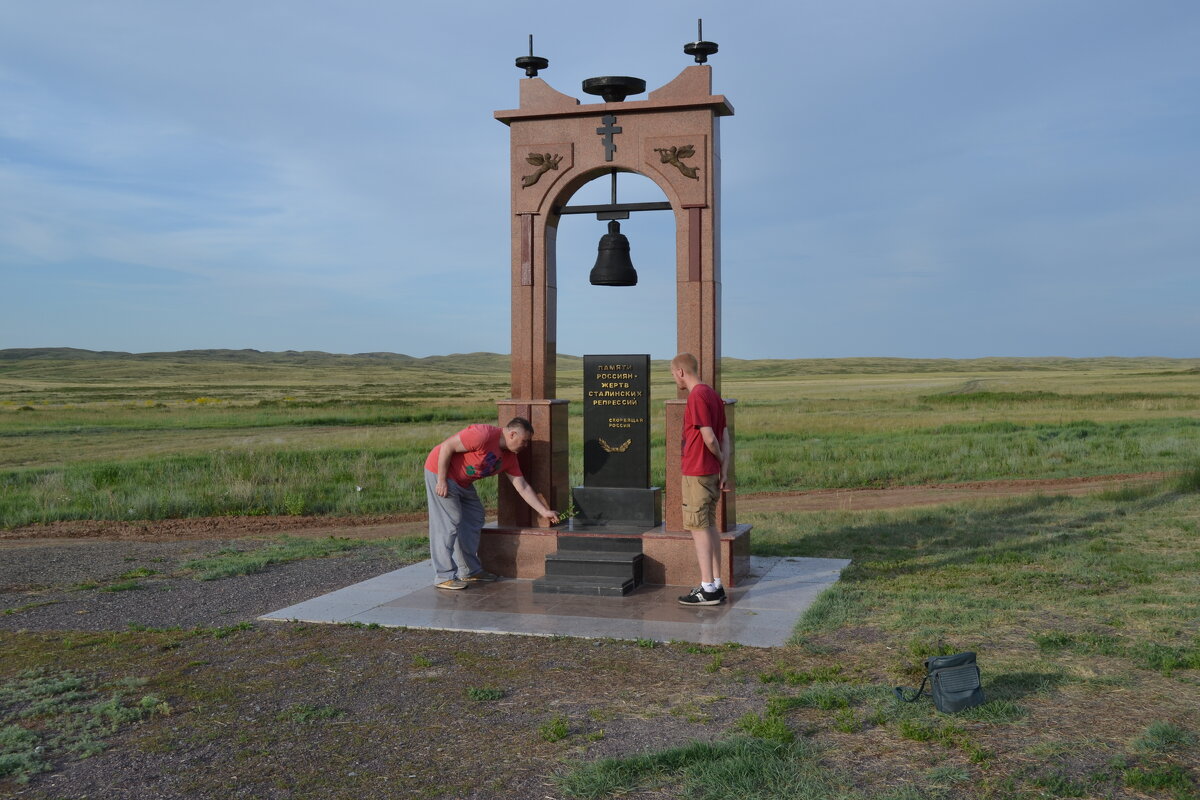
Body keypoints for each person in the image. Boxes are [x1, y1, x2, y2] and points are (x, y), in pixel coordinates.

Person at [424, 417, 557, 590]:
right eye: (524, 441)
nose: (526, 446)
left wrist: (544, 511)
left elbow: (522, 486)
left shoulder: (509, 458)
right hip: (441, 473)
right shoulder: (483, 435)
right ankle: (444, 576)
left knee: (474, 517)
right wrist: (441, 480)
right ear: (512, 434)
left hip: (463, 482)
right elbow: (446, 447)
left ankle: (470, 571)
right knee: (449, 522)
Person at [670, 353, 731, 606]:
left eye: (674, 374)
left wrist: (715, 456)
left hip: (697, 470)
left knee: (698, 527)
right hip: (712, 472)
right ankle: (716, 584)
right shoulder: (713, 395)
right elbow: (726, 436)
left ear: (681, 372)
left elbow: (710, 438)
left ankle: (706, 588)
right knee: (709, 526)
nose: (675, 379)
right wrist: (723, 467)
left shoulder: (696, 396)